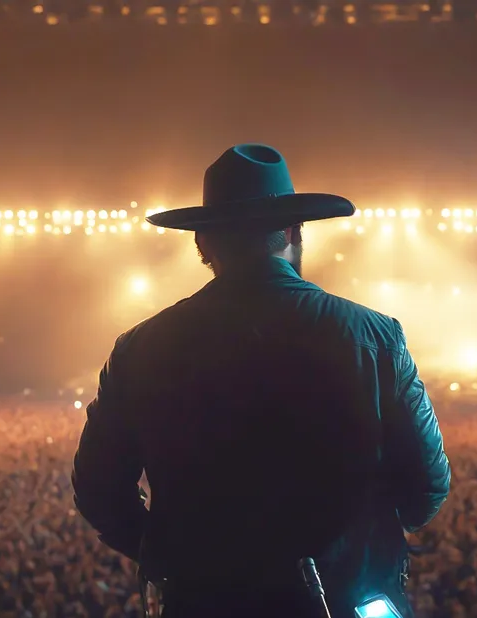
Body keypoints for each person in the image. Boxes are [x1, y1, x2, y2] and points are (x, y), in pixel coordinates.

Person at [72, 144, 451, 618]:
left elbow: (97, 492)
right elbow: (427, 485)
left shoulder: (139, 349)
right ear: (296, 233)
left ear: (202, 244)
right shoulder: (376, 337)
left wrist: (176, 554)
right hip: (347, 599)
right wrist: (360, 543)